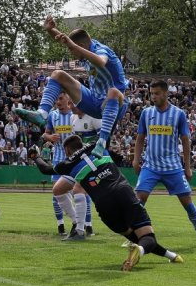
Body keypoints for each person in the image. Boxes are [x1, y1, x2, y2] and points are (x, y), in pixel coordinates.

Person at [32, 134, 183, 271]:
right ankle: (141, 251)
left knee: (136, 238)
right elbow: (107, 129)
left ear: (67, 150)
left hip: (104, 205)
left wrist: (36, 156)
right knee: (147, 237)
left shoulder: (66, 164)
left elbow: (45, 169)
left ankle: (171, 256)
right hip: (123, 192)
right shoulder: (97, 144)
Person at [14, 16, 128, 159]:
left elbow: (100, 61)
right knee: (58, 74)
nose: (70, 52)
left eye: (72, 49)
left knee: (113, 91)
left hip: (114, 104)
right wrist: (51, 30)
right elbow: (66, 39)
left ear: (80, 45)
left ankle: (102, 141)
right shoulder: (84, 49)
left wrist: (73, 45)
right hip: (94, 101)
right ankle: (42, 114)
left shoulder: (101, 50)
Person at [132, 80, 196, 248]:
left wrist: (187, 167)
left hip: (173, 167)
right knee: (139, 199)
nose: (153, 97)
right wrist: (135, 159)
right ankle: (133, 236)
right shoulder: (146, 113)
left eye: (157, 93)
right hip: (150, 166)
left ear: (166, 93)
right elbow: (140, 138)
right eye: (151, 93)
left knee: (187, 202)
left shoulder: (178, 114)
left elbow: (186, 140)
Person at [42, 92, 86, 240]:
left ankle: (82, 226)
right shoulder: (53, 116)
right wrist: (50, 137)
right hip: (59, 159)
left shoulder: (76, 116)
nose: (58, 101)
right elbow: (45, 134)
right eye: (56, 98)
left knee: (78, 191)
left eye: (61, 98)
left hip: (78, 160)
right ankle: (68, 225)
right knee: (58, 191)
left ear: (69, 98)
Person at [71, 109, 102, 236]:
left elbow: (103, 138)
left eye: (72, 103)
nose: (71, 106)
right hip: (80, 161)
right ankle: (83, 226)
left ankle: (80, 229)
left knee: (79, 190)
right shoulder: (72, 118)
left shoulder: (93, 116)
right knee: (59, 189)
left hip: (92, 161)